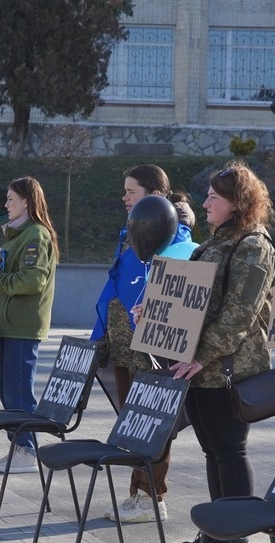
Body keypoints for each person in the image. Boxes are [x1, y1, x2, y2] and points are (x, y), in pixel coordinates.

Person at [171, 162, 275, 543]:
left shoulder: (253, 247)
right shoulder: (215, 243)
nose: (205, 203)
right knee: (213, 453)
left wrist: (201, 356)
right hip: (200, 369)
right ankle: (218, 534)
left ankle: (236, 542)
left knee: (230, 452)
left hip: (228, 369)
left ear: (237, 203)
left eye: (214, 198)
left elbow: (240, 316)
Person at [90, 165, 192, 523]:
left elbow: (179, 293)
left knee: (154, 421)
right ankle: (137, 494)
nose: (124, 197)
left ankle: (152, 496)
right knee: (132, 422)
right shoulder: (129, 234)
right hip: (122, 342)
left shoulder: (177, 239)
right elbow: (114, 286)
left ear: (155, 196)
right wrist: (99, 334)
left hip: (153, 346)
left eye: (131, 191)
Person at [0, 176, 58, 474]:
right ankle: (18, 446)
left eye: (11, 199)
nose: (6, 204)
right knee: (8, 391)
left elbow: (34, 280)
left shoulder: (35, 235)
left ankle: (27, 450)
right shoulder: (17, 235)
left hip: (22, 326)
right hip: (8, 326)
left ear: (27, 201)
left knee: (19, 391)